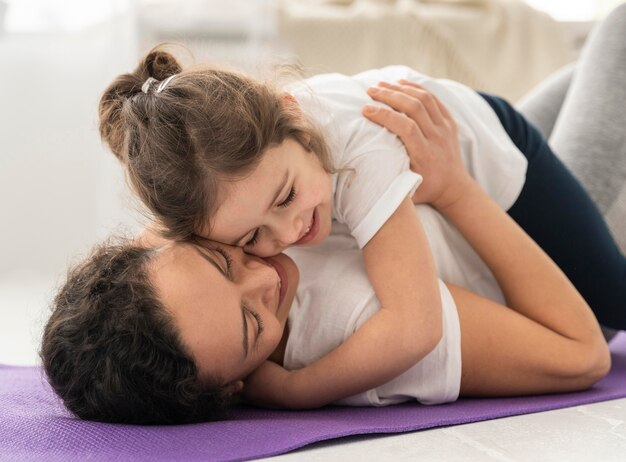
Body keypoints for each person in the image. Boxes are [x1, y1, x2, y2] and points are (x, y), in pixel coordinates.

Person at [41, 4, 625, 424]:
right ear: (238, 384)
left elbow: (415, 320)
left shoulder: (338, 149)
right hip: (472, 148)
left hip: (477, 144)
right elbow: (574, 352)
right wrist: (454, 191)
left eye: (223, 261)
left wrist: (297, 391)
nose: (267, 265)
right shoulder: (332, 319)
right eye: (252, 327)